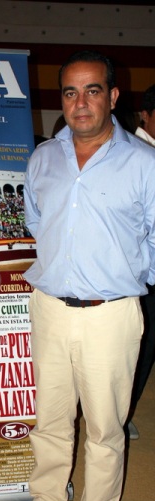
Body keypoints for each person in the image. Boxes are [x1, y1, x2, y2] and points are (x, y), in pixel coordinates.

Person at [12, 50, 155, 501]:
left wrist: (128, 284)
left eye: (93, 90)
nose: (81, 102)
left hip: (110, 315)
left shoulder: (145, 164)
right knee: (49, 417)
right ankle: (47, 500)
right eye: (70, 92)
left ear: (113, 97)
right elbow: (36, 222)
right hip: (48, 307)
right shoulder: (43, 158)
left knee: (103, 426)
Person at [128, 84, 155, 439]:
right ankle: (121, 412)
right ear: (146, 115)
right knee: (139, 347)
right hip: (141, 273)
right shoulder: (131, 153)